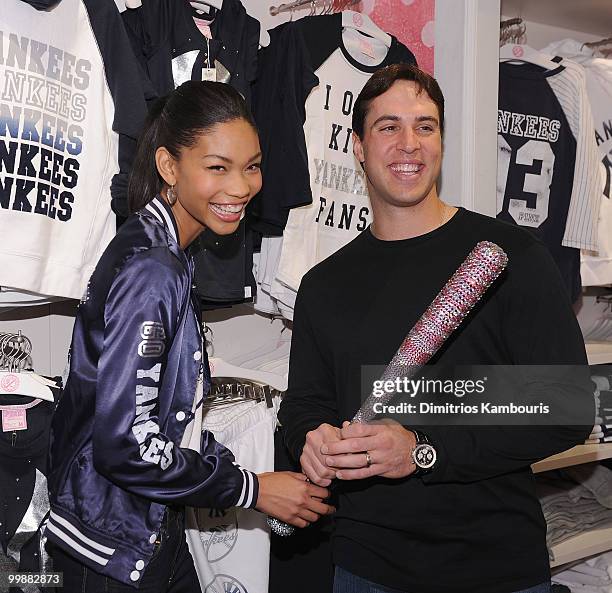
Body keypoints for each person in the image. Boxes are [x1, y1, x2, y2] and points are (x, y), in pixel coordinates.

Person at [278, 64, 594, 593]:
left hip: (495, 568)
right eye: (389, 127)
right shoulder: (323, 284)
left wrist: (423, 448)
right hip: (365, 567)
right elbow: (306, 401)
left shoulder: (512, 257)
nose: (410, 144)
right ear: (358, 146)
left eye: (425, 126)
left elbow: (568, 407)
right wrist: (309, 437)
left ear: (441, 142)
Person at [46, 81, 333, 592]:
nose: (242, 187)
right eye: (217, 167)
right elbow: (126, 445)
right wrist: (251, 489)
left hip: (144, 527)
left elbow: (160, 418)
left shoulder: (157, 247)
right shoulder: (155, 268)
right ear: (169, 166)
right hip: (112, 546)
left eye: (252, 166)